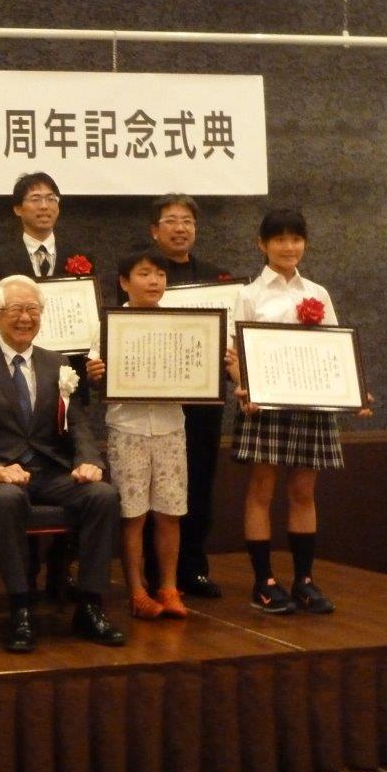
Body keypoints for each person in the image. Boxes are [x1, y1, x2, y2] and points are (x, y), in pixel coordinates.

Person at [0, 276, 124, 652]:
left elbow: (77, 422)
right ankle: (21, 606)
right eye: (16, 309)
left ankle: (90, 605)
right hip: (3, 472)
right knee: (6, 499)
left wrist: (88, 461)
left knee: (102, 495)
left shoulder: (57, 363)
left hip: (51, 470)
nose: (25, 318)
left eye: (33, 310)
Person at [228, 209, 372, 615]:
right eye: (279, 239)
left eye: (296, 238)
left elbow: (336, 349)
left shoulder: (318, 293)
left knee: (304, 491)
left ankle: (305, 580)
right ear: (262, 244)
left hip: (312, 405)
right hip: (264, 405)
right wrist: (243, 387)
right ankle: (263, 581)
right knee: (261, 490)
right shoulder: (249, 294)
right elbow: (234, 354)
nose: (288, 246)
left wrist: (355, 392)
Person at [86, 249, 191, 620]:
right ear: (124, 282)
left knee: (170, 512)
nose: (154, 281)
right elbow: (96, 377)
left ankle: (168, 587)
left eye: (160, 274)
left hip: (170, 427)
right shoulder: (109, 325)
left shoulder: (183, 324)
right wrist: (95, 374)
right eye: (144, 274)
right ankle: (137, 590)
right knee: (133, 515)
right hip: (127, 428)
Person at [141, 193, 233, 599]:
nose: (180, 229)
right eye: (171, 221)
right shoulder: (144, 274)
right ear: (154, 230)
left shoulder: (218, 280)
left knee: (198, 481)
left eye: (188, 222)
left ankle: (194, 567)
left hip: (203, 402)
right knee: (154, 487)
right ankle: (155, 572)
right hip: (157, 402)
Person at [0, 172, 94, 342]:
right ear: (18, 209)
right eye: (35, 199)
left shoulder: (80, 256)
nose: (44, 206)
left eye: (51, 199)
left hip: (71, 354)